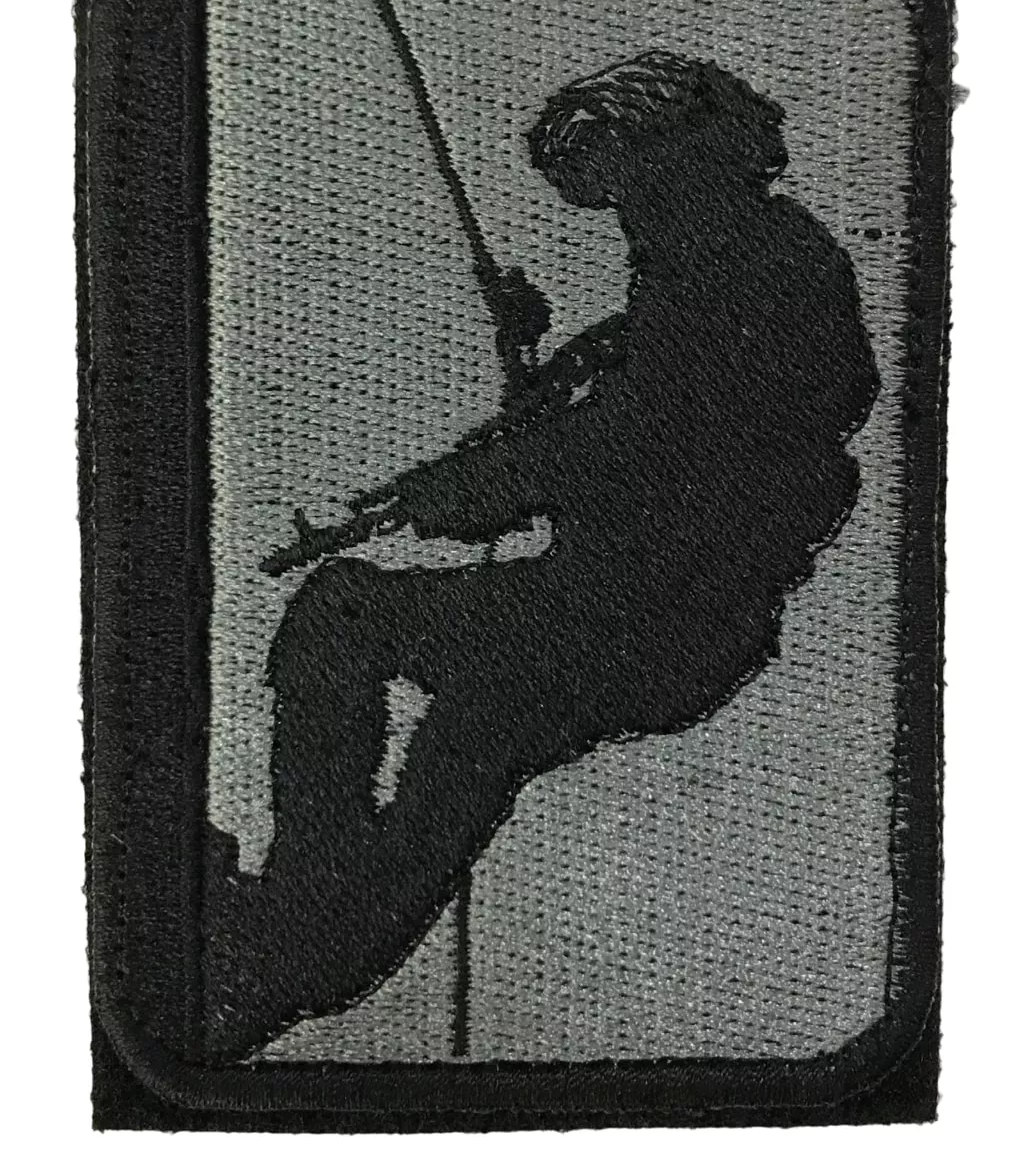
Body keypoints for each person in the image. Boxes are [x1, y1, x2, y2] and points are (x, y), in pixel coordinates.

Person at [204, 52, 879, 1060]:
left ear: (677, 162)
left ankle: (300, 929)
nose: (627, 224)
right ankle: (306, 938)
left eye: (625, 194)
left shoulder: (754, 269)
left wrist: (469, 485)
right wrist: (546, 369)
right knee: (463, 742)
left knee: (345, 613)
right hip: (632, 611)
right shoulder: (730, 263)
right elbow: (636, 402)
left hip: (636, 618)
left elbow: (640, 438)